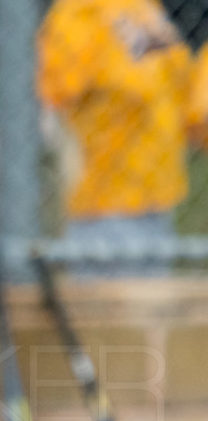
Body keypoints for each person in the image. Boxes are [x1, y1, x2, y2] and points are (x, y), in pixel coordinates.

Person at [37, 0, 191, 278]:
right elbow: (54, 94)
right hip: (104, 203)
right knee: (105, 315)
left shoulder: (145, 8)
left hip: (158, 194)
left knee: (152, 312)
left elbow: (178, 82)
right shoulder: (76, 14)